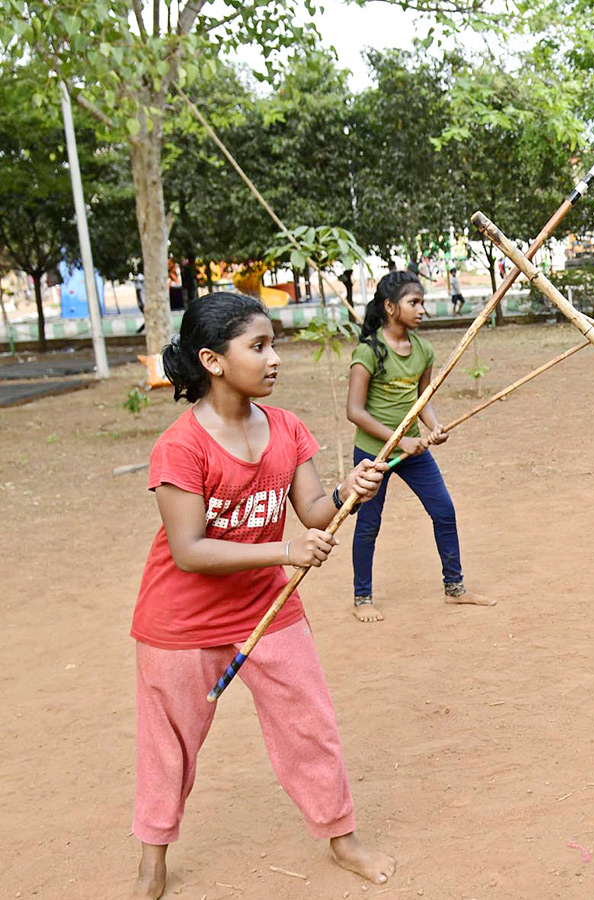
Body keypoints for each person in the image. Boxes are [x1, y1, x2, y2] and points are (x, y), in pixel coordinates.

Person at [130, 292, 395, 900]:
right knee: (169, 746)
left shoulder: (285, 428)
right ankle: (152, 863)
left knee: (310, 723)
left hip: (266, 609)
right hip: (179, 621)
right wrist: (285, 552)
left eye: (273, 343)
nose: (275, 358)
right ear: (213, 360)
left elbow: (312, 513)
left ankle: (341, 837)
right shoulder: (181, 446)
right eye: (259, 346)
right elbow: (190, 550)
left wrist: (350, 490)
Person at [346, 270, 494, 623]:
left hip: (413, 451)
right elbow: (354, 411)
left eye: (422, 302)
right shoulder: (368, 351)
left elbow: (422, 398)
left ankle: (455, 588)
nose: (421, 309)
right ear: (390, 307)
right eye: (413, 302)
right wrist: (399, 439)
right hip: (374, 454)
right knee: (368, 523)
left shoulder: (423, 350)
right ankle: (362, 596)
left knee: (444, 510)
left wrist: (434, 425)